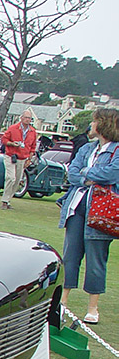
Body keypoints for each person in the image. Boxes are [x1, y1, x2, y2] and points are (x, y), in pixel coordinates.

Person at [57, 108, 119, 324]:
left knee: (96, 259)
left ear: (103, 124)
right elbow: (72, 172)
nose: (90, 126)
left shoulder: (117, 150)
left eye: (94, 122)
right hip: (77, 207)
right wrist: (86, 177)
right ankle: (62, 301)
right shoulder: (86, 148)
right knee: (70, 255)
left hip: (102, 212)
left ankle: (93, 307)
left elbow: (111, 174)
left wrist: (86, 173)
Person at [0, 109, 38, 209]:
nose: (27, 120)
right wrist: (12, 144)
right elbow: (4, 140)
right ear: (21, 118)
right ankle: (4, 200)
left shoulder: (33, 132)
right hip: (11, 156)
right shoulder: (13, 128)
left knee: (17, 181)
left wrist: (29, 159)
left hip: (22, 158)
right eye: (26, 117)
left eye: (29, 118)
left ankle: (8, 200)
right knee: (10, 178)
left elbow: (33, 147)